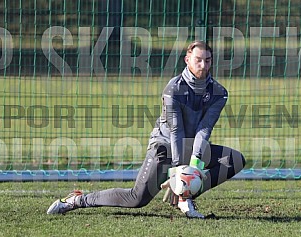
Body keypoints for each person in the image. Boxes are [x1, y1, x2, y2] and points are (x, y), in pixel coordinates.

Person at [47, 40, 246, 219]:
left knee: (234, 160)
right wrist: (178, 169)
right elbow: (175, 129)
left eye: (208, 61)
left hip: (191, 147)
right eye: (198, 60)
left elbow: (205, 128)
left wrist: (193, 166)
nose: (203, 66)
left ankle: (185, 196)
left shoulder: (219, 92)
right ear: (187, 59)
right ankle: (77, 200)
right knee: (136, 198)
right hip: (165, 146)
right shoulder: (173, 89)